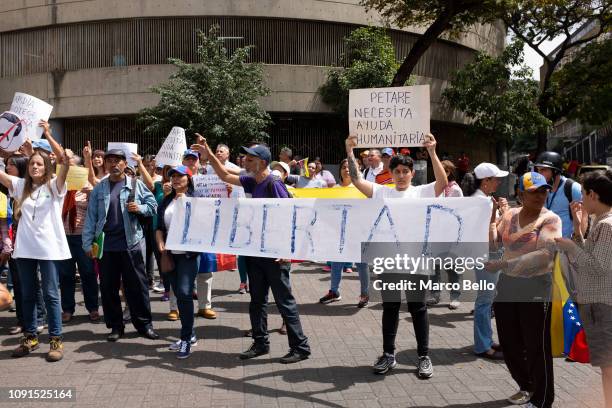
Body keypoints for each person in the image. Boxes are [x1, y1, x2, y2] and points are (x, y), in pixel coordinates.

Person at [192, 136, 311, 364]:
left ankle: (300, 347)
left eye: (250, 158)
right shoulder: (251, 180)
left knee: (284, 301)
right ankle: (260, 343)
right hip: (255, 251)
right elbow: (225, 175)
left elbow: (290, 216)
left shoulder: (273, 183)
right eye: (245, 157)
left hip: (275, 254)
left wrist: (287, 250)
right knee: (257, 300)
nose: (245, 160)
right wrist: (208, 151)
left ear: (262, 162)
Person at [345, 133, 448, 378]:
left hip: (416, 260)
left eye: (405, 171)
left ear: (412, 173)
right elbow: (358, 181)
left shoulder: (422, 192)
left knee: (418, 308)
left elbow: (442, 182)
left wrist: (432, 152)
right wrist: (349, 151)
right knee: (390, 307)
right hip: (389, 261)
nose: (401, 175)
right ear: (390, 174)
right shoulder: (383, 192)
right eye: (397, 171)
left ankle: (424, 356)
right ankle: (388, 354)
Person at [486, 171, 561, 408]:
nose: (540, 196)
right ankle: (527, 386)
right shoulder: (510, 215)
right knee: (509, 343)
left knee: (536, 346)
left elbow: (544, 255)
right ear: (520, 194)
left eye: (543, 191)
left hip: (536, 285)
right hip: (508, 284)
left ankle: (542, 400)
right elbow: (495, 242)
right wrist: (490, 220)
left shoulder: (550, 220)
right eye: (533, 192)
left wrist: (503, 263)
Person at [2, 121, 71, 362]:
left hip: (49, 249)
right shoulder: (19, 185)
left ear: (46, 167)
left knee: (51, 294)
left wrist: (49, 135)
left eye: (39, 164)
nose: (35, 167)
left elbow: (64, 160)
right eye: (31, 164)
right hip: (25, 250)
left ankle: (56, 340)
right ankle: (30, 337)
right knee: (28, 294)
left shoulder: (55, 186)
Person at [82, 148, 159, 342]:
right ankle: (116, 326)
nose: (113, 164)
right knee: (108, 288)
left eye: (118, 161)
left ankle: (144, 325)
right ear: (106, 165)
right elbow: (91, 218)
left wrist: (140, 208)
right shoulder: (100, 188)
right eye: (110, 161)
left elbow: (153, 206)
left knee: (138, 287)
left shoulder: (136, 184)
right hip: (106, 247)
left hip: (131, 244)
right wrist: (87, 244)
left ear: (125, 164)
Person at [555, 170, 612, 408]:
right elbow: (589, 258)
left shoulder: (607, 225)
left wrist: (570, 245)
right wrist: (578, 230)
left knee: (608, 368)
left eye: (583, 193)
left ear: (593, 194)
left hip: (602, 305)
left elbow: (597, 267)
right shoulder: (601, 221)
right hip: (597, 304)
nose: (581, 199)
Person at [460, 162, 509, 361]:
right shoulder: (483, 202)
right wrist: (505, 214)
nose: (498, 182)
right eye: (495, 179)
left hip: (483, 253)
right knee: (485, 300)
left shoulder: (479, 199)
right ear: (485, 181)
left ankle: (486, 341)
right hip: (488, 254)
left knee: (486, 299)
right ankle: (483, 345)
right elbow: (492, 233)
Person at [156, 165, 200, 359]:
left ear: (188, 180)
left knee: (184, 292)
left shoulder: (196, 201)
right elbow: (158, 227)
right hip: (170, 255)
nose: (175, 179)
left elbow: (201, 224)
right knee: (179, 295)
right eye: (173, 176)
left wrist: (186, 204)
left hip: (188, 255)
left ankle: (185, 339)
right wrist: (160, 245)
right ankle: (189, 335)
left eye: (180, 176)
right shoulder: (165, 201)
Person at [2, 154, 47, 336]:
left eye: (11, 165)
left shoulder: (27, 188)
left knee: (32, 284)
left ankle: (39, 318)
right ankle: (23, 320)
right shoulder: (10, 190)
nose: (7, 168)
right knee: (19, 284)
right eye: (6, 164)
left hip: (30, 242)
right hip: (14, 243)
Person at [319, 158, 370, 308]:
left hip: (359, 233)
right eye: (344, 167)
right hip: (338, 233)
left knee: (362, 264)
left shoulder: (364, 189)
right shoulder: (334, 189)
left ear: (358, 170)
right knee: (336, 263)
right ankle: (334, 292)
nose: (347, 170)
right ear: (340, 170)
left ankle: (365, 294)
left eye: (351, 167)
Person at [58, 151, 100, 323]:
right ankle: (67, 308)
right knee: (65, 274)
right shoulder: (59, 187)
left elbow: (97, 209)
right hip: (63, 237)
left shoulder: (87, 186)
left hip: (83, 237)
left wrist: (90, 191)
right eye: (68, 168)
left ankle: (93, 307)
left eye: (74, 168)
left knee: (88, 273)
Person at [426, 160, 464, 309]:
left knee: (452, 267)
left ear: (448, 172)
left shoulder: (455, 190)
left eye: (442, 170)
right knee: (434, 266)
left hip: (449, 234)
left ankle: (455, 296)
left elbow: (460, 212)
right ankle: (435, 295)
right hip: (435, 233)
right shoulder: (433, 188)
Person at [533, 151, 582, 238]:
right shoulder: (540, 188)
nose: (539, 174)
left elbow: (583, 220)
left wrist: (577, 246)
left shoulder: (573, 188)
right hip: (545, 244)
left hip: (567, 245)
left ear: (555, 171)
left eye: (543, 170)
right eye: (538, 170)